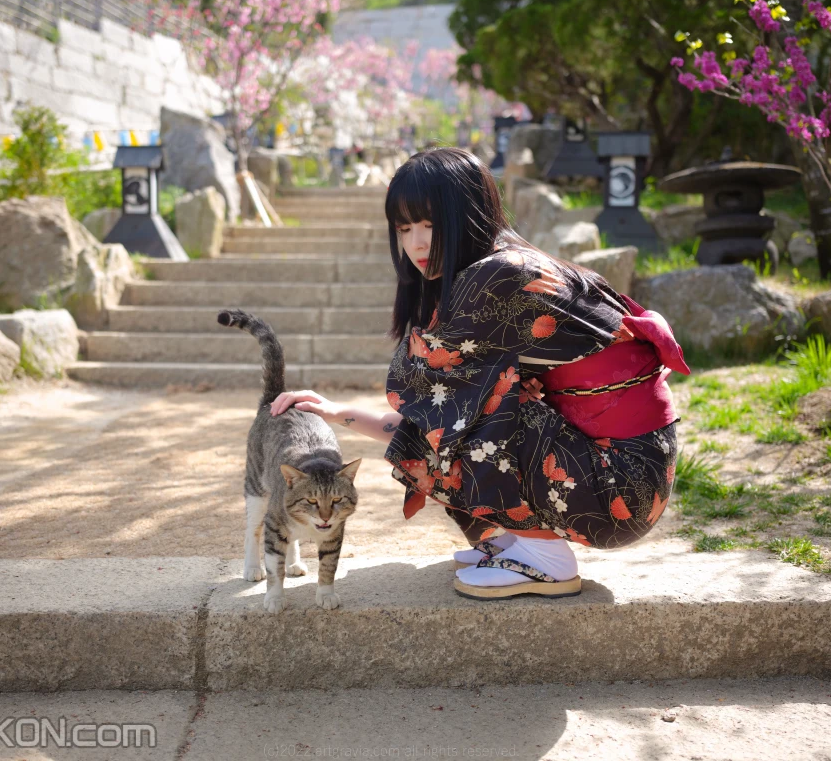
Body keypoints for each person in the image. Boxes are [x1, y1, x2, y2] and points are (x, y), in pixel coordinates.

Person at [269, 147, 689, 600]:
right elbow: (423, 421)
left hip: (619, 487)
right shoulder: (502, 261)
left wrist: (342, 413)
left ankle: (546, 559)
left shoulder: (495, 278)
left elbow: (428, 417)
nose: (416, 244)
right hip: (626, 473)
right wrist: (334, 411)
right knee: (467, 402)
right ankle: (515, 539)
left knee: (467, 411)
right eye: (405, 228)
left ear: (468, 215)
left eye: (431, 224)